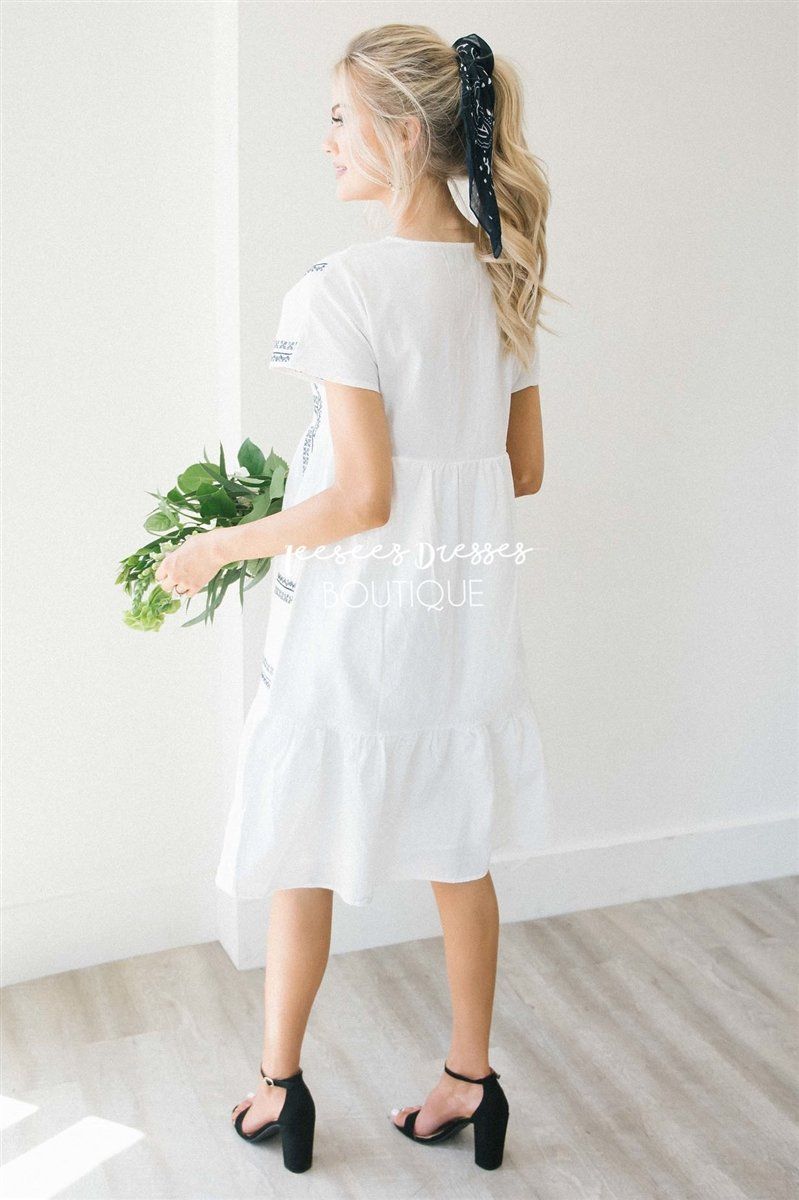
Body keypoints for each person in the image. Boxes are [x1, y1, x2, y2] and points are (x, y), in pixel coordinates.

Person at [156, 23, 557, 1176]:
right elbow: (523, 471)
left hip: (353, 622)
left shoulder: (341, 288)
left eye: (340, 118)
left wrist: (222, 545)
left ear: (403, 131)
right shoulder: (500, 273)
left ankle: (278, 1087)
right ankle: (471, 1080)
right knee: (458, 846)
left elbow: (362, 496)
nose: (327, 141)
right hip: (460, 621)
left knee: (304, 846)